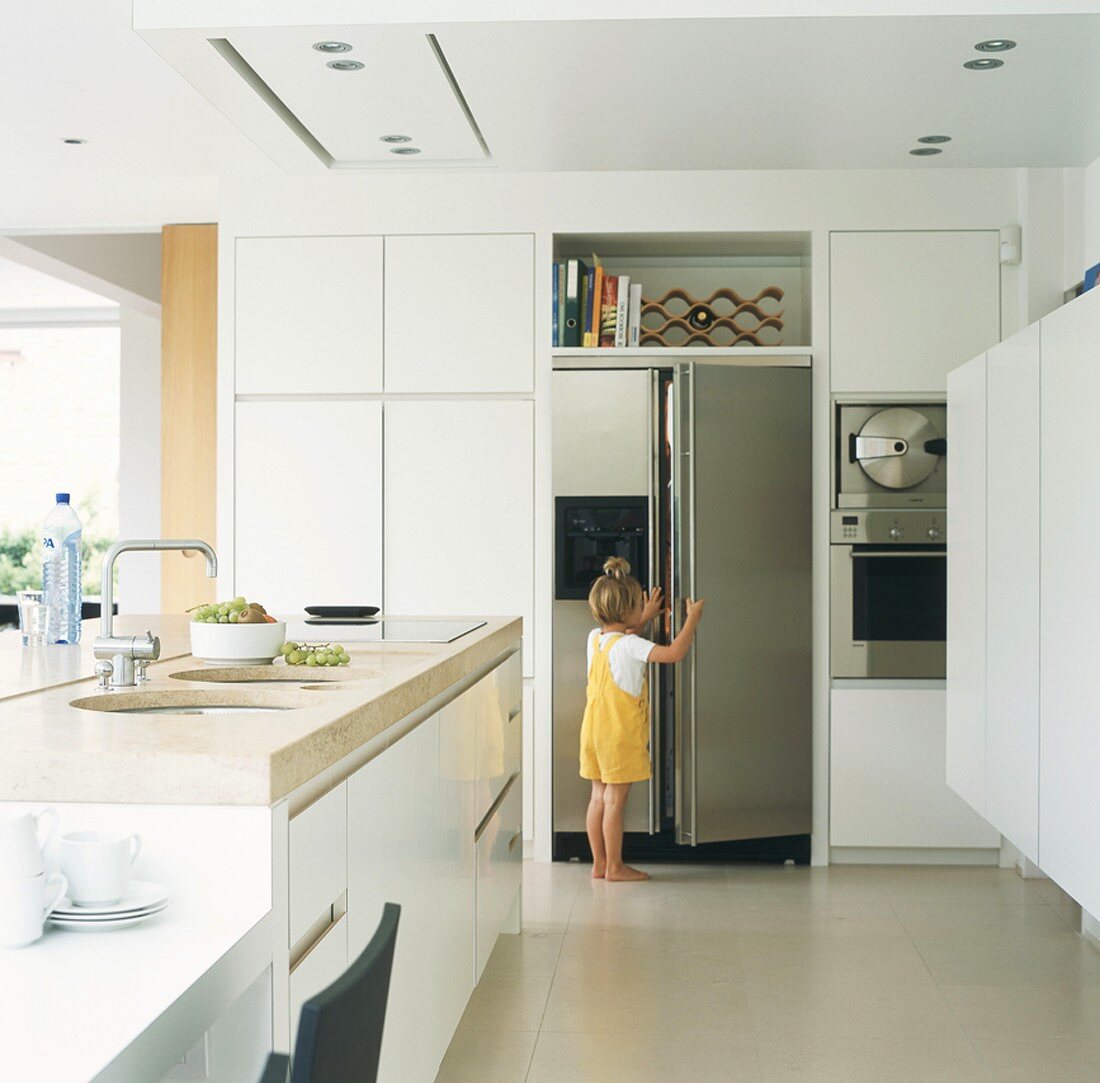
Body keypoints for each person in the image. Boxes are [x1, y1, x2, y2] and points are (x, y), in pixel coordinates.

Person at [580, 556, 705, 882]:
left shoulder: (595, 639)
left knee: (598, 797)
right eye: (638, 604)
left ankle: (599, 864)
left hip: (592, 731)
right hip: (619, 734)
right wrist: (691, 620)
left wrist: (644, 616)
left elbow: (622, 635)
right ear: (626, 612)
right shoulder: (633, 644)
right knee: (615, 800)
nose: (642, 608)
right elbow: (673, 653)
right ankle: (617, 868)